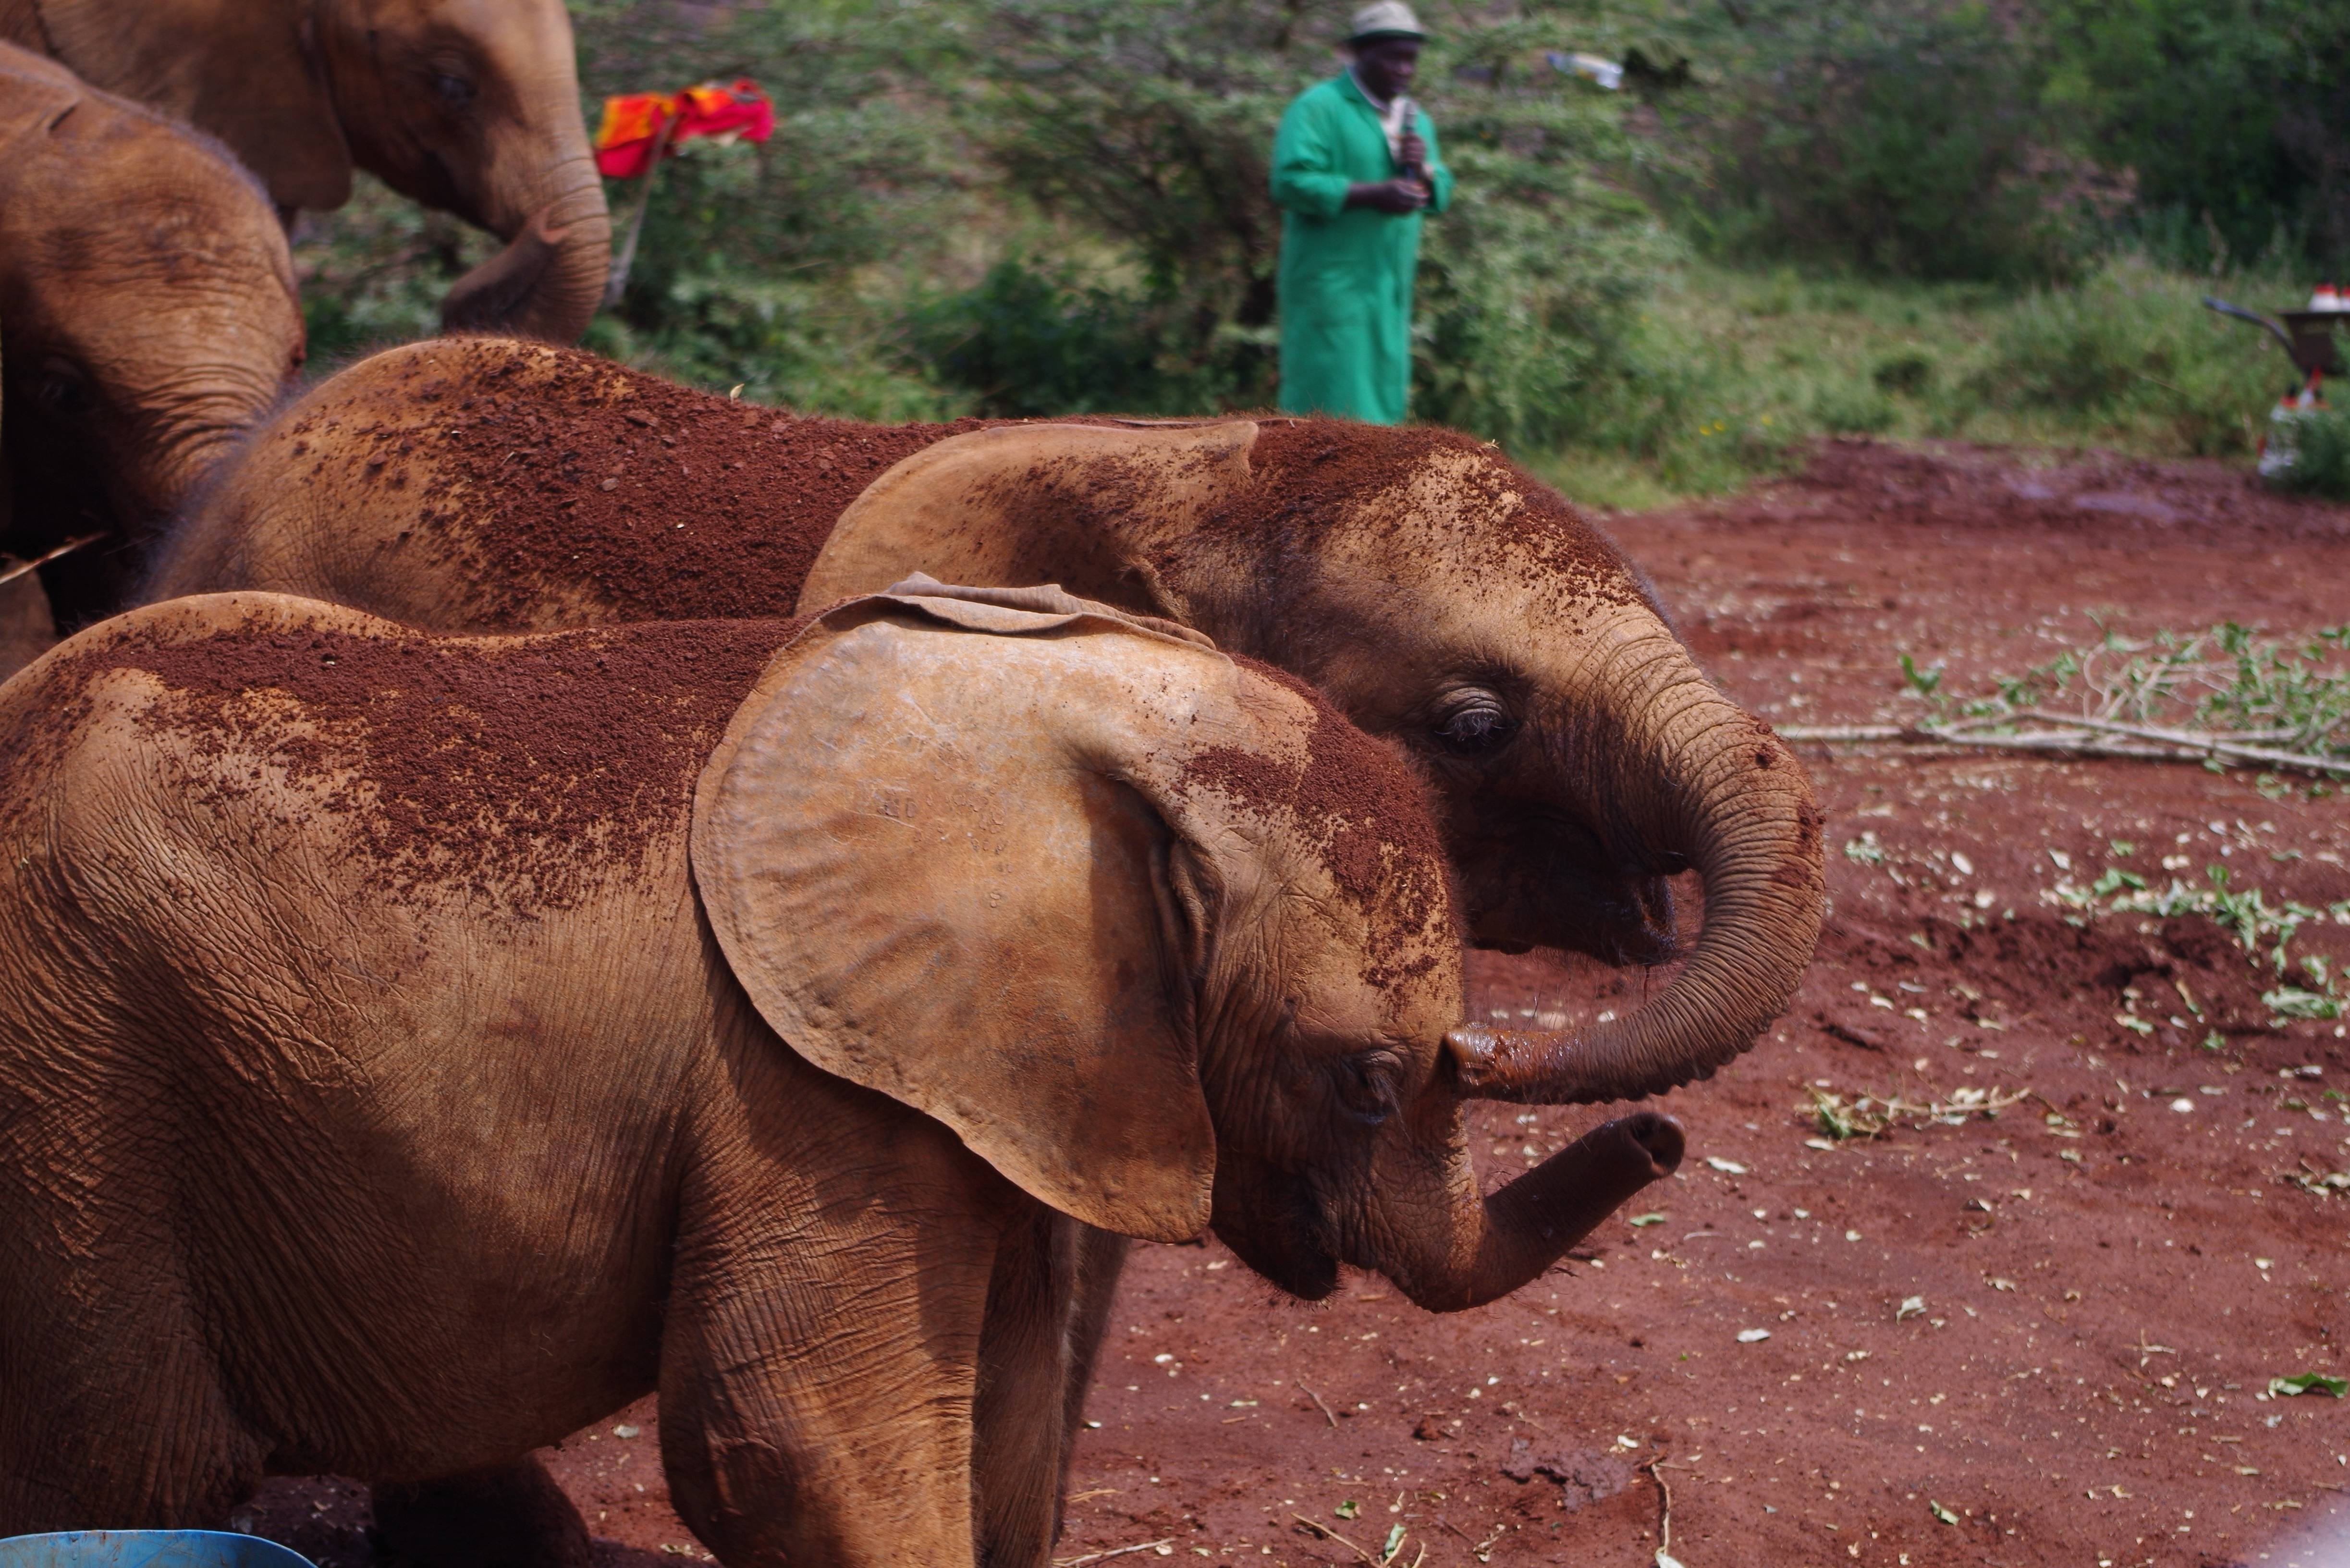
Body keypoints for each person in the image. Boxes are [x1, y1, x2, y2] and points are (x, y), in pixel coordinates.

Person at [1270, 1, 1454, 424]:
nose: (1404, 69)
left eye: (1411, 59)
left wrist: (1424, 170)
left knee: (1382, 392)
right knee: (1327, 394)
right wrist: (1375, 194)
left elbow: (1440, 190)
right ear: (1359, 54)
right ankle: (1305, 489)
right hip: (1333, 281)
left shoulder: (1416, 120)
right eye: (1392, 56)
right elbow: (1291, 182)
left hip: (1388, 282)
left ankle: (1368, 490)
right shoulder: (1320, 107)